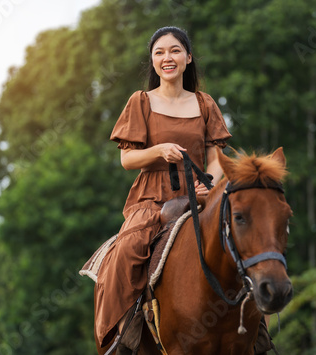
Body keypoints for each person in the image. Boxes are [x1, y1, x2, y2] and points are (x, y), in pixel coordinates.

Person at [93, 26, 232, 353]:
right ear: (153, 61)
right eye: (159, 52)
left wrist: (209, 185)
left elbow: (216, 156)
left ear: (188, 58)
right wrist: (159, 150)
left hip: (200, 196)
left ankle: (254, 333)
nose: (167, 57)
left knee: (242, 243)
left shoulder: (204, 103)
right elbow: (127, 159)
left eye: (174, 51)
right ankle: (118, 339)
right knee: (127, 252)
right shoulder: (141, 101)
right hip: (152, 199)